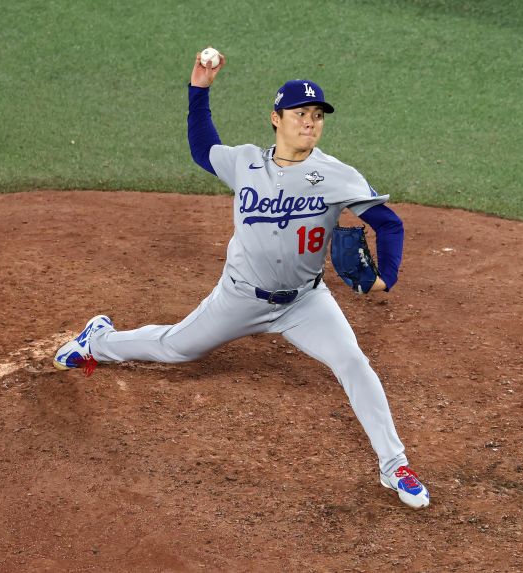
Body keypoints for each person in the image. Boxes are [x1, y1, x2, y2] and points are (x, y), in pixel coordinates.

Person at [53, 50, 430, 509]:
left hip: (305, 304)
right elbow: (200, 147)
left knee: (353, 363)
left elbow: (389, 224)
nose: (310, 123)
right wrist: (199, 89)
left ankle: (396, 467)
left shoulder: (336, 176)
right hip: (240, 296)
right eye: (300, 114)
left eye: (317, 116)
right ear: (276, 118)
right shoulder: (245, 162)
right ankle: (97, 341)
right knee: (177, 348)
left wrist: (385, 280)